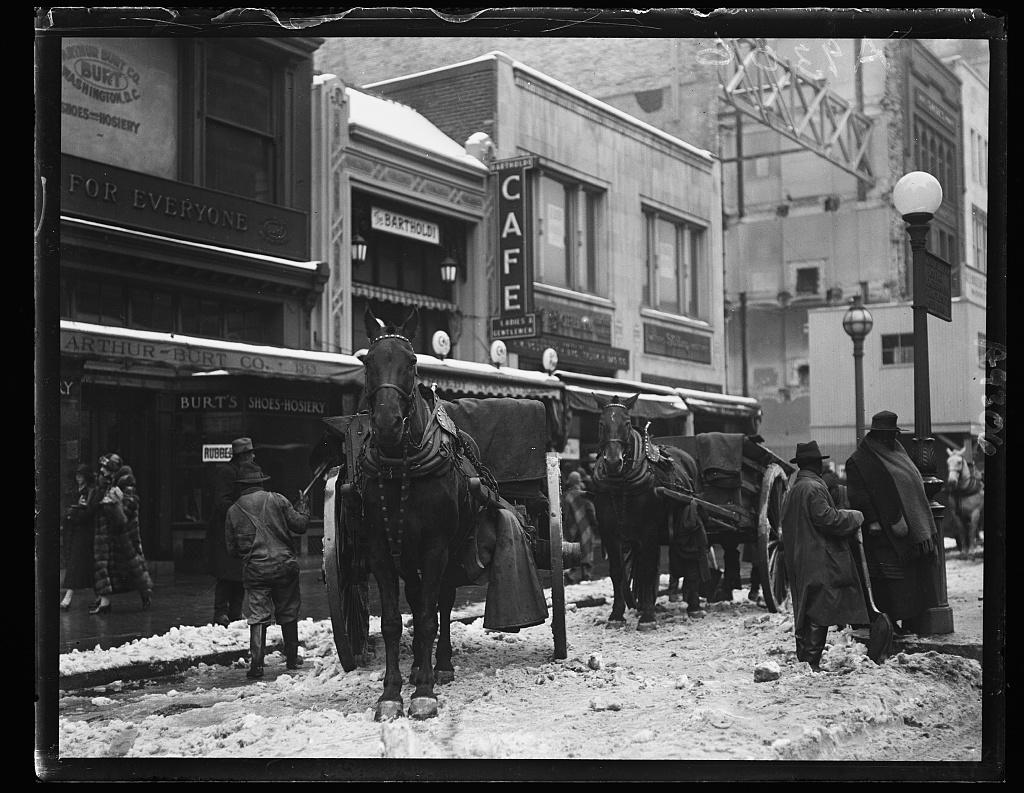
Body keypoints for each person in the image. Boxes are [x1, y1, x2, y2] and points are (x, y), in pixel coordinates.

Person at [845, 411, 939, 635]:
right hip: (882, 531)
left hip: (908, 529)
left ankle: (911, 621)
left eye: (892, 434)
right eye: (885, 434)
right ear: (875, 434)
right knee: (889, 580)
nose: (889, 438)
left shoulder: (899, 452)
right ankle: (891, 624)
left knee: (910, 577)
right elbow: (859, 495)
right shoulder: (859, 461)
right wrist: (874, 520)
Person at [782, 440, 867, 671]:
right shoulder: (814, 488)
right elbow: (829, 520)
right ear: (815, 464)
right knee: (819, 607)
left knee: (806, 606)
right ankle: (811, 661)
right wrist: (854, 516)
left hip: (800, 556)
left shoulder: (795, 489)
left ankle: (806, 660)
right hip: (818, 556)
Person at [225, 461, 310, 679]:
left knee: (258, 616)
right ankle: (292, 659)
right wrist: (303, 507)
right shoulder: (278, 499)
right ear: (261, 481)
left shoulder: (233, 511)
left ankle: (257, 665)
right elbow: (300, 525)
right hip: (284, 567)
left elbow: (231, 549)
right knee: (288, 611)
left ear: (241, 485)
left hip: (256, 571)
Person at [90, 453, 154, 614]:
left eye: (105, 468)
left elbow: (128, 508)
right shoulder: (105, 482)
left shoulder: (126, 485)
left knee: (133, 566)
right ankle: (104, 602)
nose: (102, 471)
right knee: (104, 566)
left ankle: (145, 594)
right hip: (106, 534)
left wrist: (112, 504)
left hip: (124, 534)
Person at [206, 437, 252, 627]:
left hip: (239, 530)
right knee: (226, 574)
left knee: (240, 573)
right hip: (225, 531)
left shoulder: (243, 472)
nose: (253, 457)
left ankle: (235, 610)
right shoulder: (227, 472)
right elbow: (221, 502)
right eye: (250, 454)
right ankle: (221, 612)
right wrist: (241, 510)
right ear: (243, 456)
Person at [61, 464, 101, 610]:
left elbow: (88, 512)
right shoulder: (75, 491)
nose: (78, 478)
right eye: (77, 475)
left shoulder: (91, 491)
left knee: (76, 564)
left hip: (85, 533)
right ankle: (100, 597)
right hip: (75, 531)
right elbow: (68, 510)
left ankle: (68, 597)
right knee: (86, 566)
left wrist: (75, 513)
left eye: (81, 475)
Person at [561, 471, 596, 584]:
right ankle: (586, 575)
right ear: (579, 481)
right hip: (585, 527)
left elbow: (564, 513)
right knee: (586, 551)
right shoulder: (585, 495)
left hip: (571, 529)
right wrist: (594, 524)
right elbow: (591, 511)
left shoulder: (566, 496)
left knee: (573, 551)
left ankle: (570, 574)